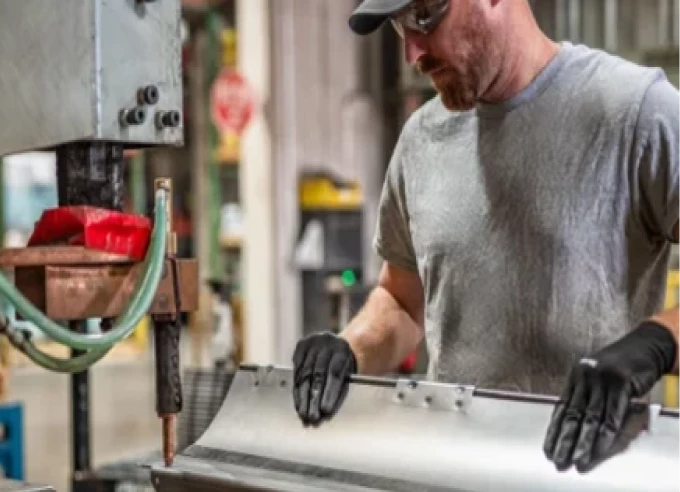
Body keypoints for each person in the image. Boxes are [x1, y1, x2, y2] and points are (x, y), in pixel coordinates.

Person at [291, 0, 680, 475]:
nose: (413, 51)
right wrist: (349, 349)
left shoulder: (637, 114)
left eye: (425, 15)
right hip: (452, 471)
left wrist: (653, 345)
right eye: (399, 25)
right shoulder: (420, 141)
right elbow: (403, 300)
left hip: (590, 472)